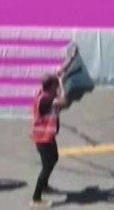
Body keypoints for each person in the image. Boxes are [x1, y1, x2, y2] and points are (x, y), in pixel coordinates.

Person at [29, 74, 66, 206]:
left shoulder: (44, 95)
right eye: (55, 86)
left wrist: (71, 59)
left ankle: (44, 186)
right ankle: (36, 198)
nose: (57, 88)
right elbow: (63, 101)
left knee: (54, 158)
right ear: (51, 86)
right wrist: (62, 84)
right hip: (42, 138)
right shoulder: (45, 99)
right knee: (47, 166)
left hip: (47, 137)